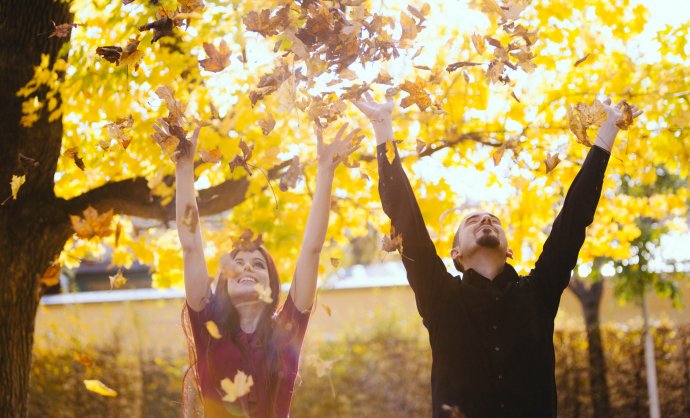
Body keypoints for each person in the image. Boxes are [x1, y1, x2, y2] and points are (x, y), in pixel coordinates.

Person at [353, 94, 642, 418]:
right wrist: (383, 128)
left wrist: (606, 137)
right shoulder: (440, 297)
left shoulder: (538, 294)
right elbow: (406, 220)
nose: (486, 219)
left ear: (510, 251)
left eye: (493, 220)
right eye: (473, 221)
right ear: (456, 254)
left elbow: (573, 220)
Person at [174, 123, 361, 418]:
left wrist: (325, 171)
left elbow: (312, 250)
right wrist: (184, 171)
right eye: (238, 263)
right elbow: (191, 248)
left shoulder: (288, 328)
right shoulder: (208, 324)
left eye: (258, 264)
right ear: (224, 283)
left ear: (272, 285)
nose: (248, 266)